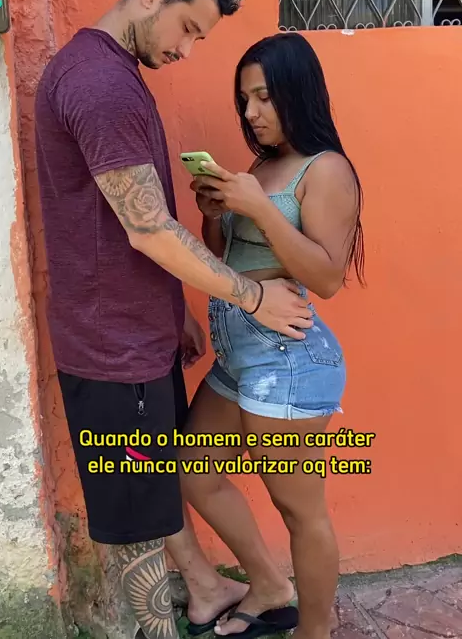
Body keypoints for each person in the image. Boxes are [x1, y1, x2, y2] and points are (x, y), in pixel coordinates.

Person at [34, 0, 314, 639]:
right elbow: (149, 229)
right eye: (188, 28)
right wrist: (252, 296)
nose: (188, 50)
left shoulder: (109, 71)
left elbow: (127, 225)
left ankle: (207, 591)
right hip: (113, 352)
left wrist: (173, 314)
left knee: (153, 490)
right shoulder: (100, 84)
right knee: (135, 526)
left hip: (136, 333)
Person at [180, 32, 365, 639]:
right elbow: (226, 258)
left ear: (297, 92)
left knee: (299, 509)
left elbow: (326, 277)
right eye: (245, 100)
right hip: (240, 354)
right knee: (194, 470)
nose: (252, 113)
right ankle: (267, 585)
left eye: (264, 97)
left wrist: (259, 206)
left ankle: (315, 631)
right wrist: (215, 213)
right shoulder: (261, 168)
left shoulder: (327, 169)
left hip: (288, 361)